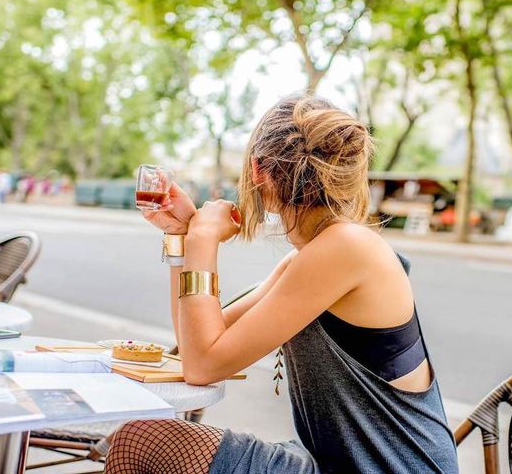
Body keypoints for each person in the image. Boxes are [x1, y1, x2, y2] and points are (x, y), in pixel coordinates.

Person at [105, 95, 459, 474]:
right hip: (336, 460)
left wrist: (203, 243)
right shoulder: (317, 254)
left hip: (385, 468)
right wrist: (183, 238)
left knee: (140, 441)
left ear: (258, 170)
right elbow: (195, 344)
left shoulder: (345, 248)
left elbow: (202, 366)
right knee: (141, 439)